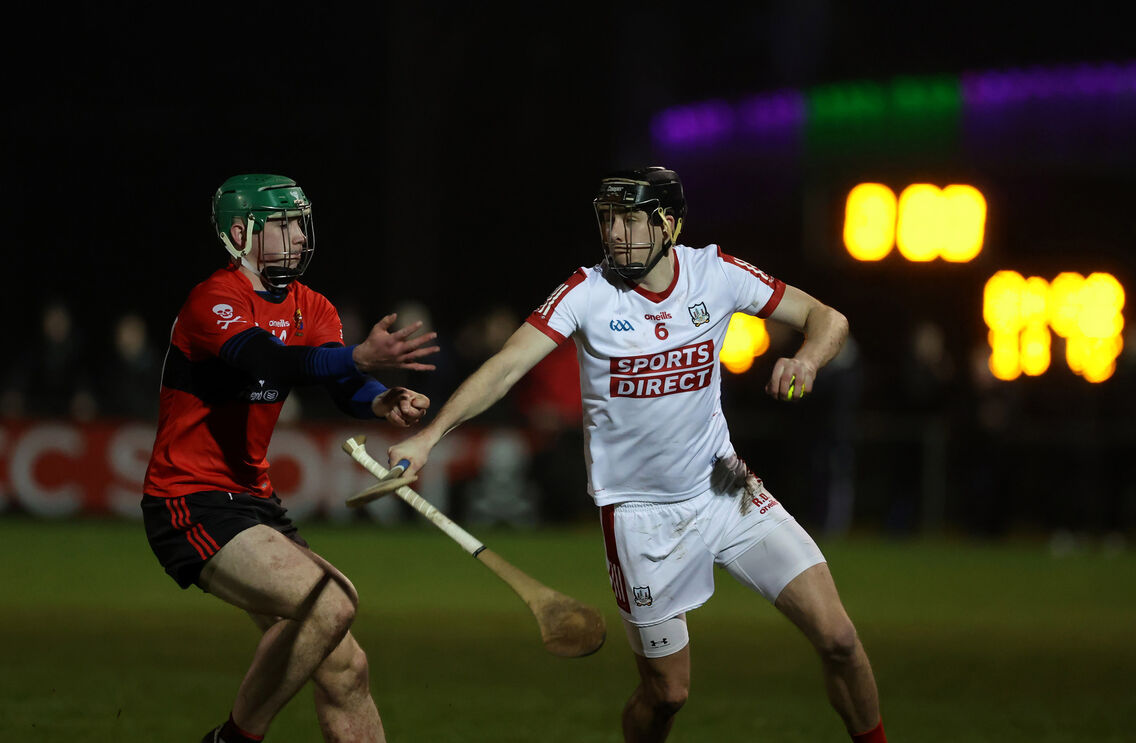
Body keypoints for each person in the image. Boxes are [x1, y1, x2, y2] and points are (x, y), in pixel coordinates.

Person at [389, 167, 887, 742]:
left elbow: (829, 319)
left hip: (726, 487)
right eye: (608, 220)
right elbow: (505, 368)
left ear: (669, 225)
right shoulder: (586, 292)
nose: (615, 234)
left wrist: (807, 359)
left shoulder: (715, 273)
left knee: (839, 639)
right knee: (668, 694)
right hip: (638, 515)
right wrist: (428, 437)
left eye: (630, 220)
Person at [141, 174, 437, 743]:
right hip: (190, 501)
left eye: (300, 223)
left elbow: (338, 380)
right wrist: (357, 357)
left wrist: (380, 400)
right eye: (281, 225)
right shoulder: (214, 299)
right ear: (238, 234)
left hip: (254, 501)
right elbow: (270, 362)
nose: (299, 236)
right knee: (332, 602)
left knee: (347, 669)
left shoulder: (312, 305)